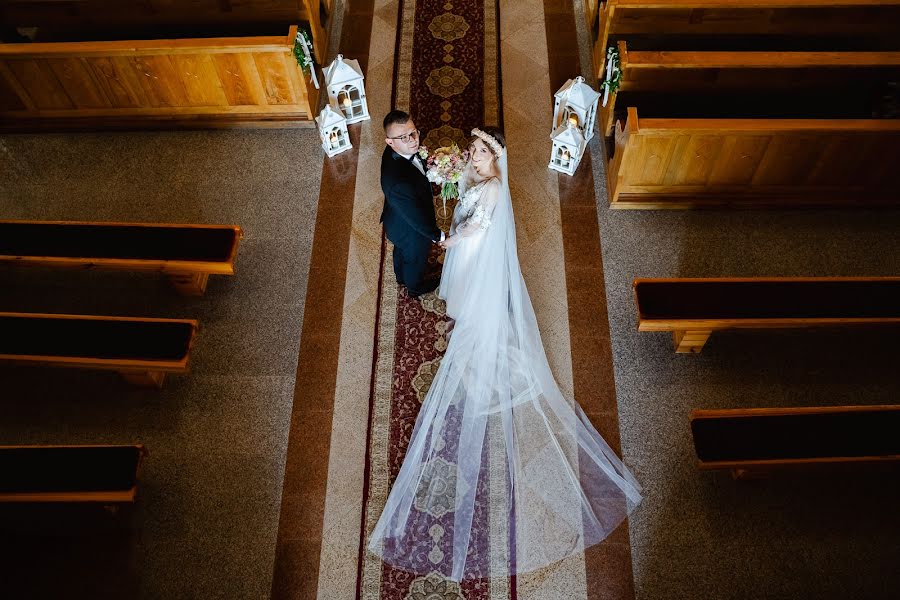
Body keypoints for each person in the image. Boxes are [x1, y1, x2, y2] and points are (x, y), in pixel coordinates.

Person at [368, 127, 642, 581]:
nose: (473, 158)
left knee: (472, 301)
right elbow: (465, 205)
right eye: (472, 152)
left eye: (479, 152)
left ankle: (480, 323)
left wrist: (452, 240)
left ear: (494, 156)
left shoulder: (494, 187)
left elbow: (479, 224)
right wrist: (457, 198)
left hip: (475, 249)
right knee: (459, 288)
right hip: (467, 247)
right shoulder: (478, 179)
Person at [380, 110, 444, 297]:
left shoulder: (399, 150)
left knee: (401, 252)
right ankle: (415, 287)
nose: (413, 140)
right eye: (404, 137)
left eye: (413, 133)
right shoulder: (398, 182)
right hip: (409, 231)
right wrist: (439, 237)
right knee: (415, 259)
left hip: (395, 220)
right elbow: (416, 219)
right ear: (390, 142)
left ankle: (400, 276)